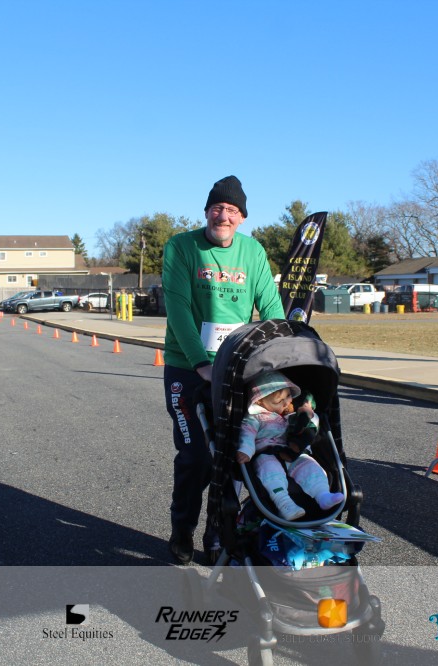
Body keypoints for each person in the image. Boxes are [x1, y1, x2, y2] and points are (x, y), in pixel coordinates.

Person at [163, 175, 285, 565]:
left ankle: (218, 532)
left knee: (234, 455)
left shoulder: (253, 251)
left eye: (232, 210)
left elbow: (271, 307)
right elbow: (178, 308)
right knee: (197, 457)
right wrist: (200, 362)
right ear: (206, 212)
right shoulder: (181, 246)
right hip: (188, 368)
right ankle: (182, 530)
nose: (224, 216)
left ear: (242, 217)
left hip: (236, 367)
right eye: (217, 208)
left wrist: (280, 353)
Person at [236, 371, 344, 520]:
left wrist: (307, 416)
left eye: (288, 396)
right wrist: (246, 450)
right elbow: (247, 433)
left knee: (311, 467)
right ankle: (284, 504)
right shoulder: (256, 417)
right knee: (271, 474)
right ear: (260, 402)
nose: (286, 403)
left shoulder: (293, 413)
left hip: (294, 453)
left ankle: (323, 495)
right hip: (267, 454)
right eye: (278, 402)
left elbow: (309, 425)